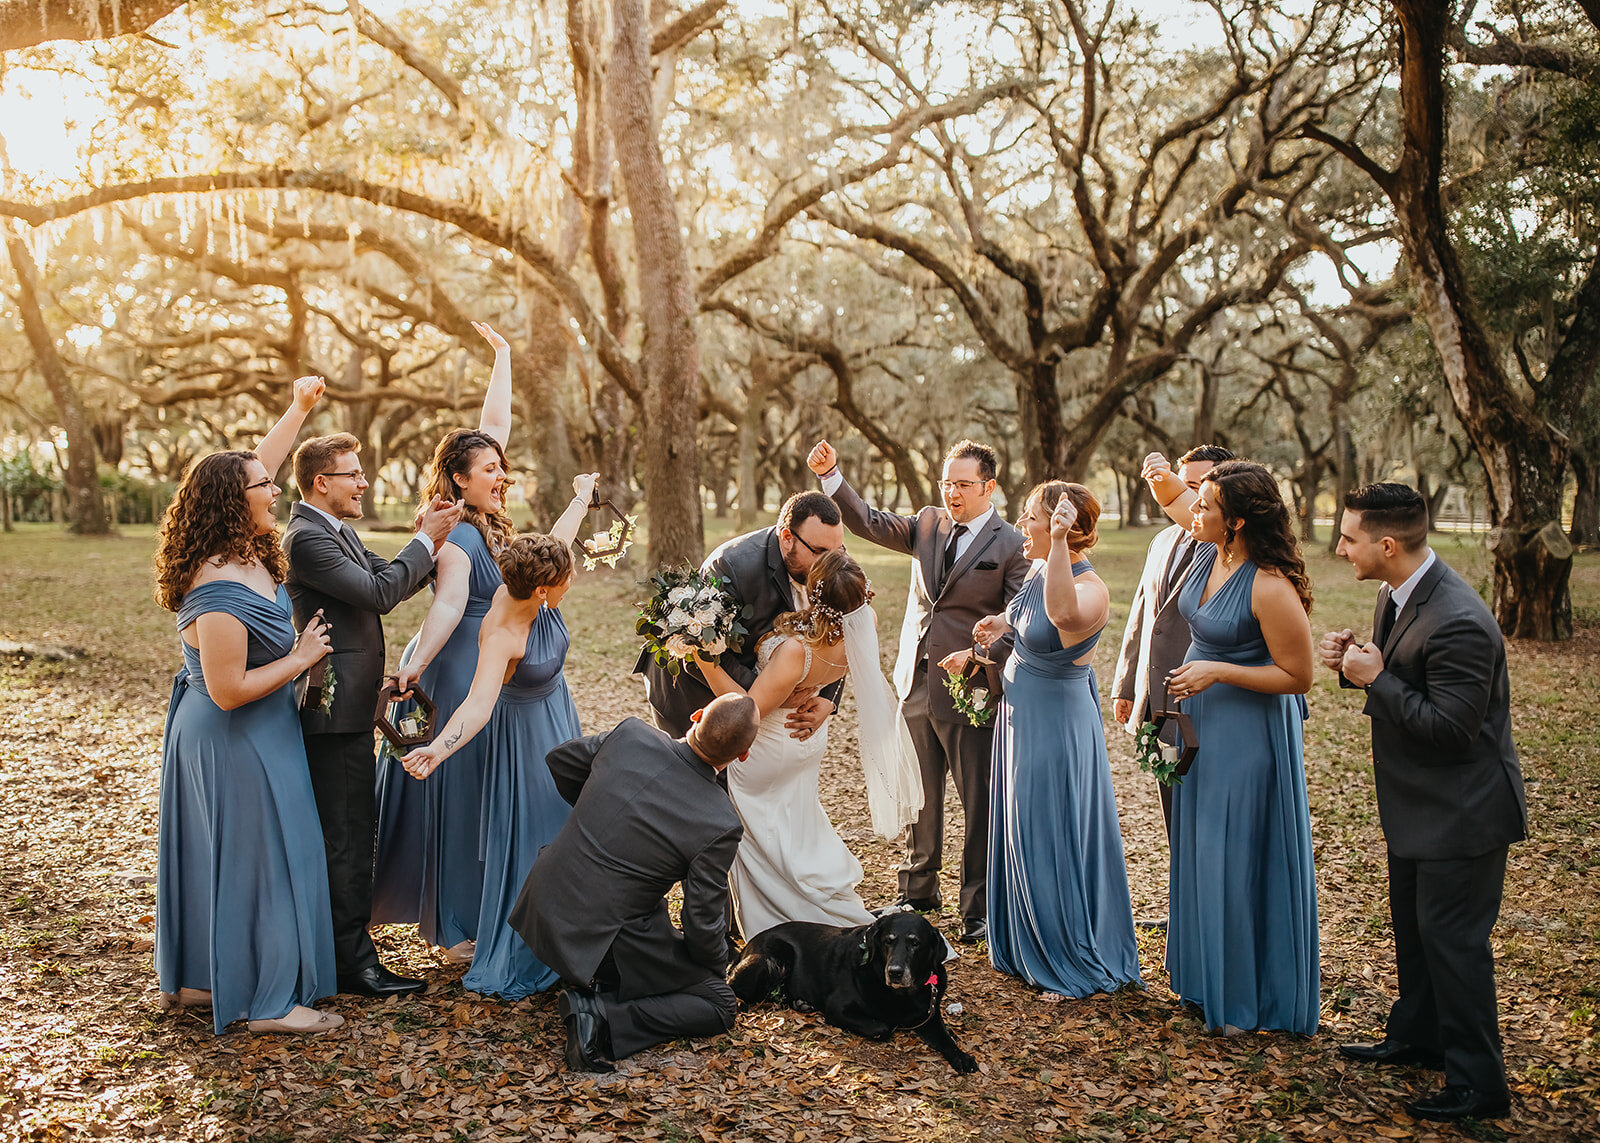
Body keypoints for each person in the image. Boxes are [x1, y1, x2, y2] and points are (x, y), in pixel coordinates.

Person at [1321, 483, 1525, 1122]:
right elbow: (1403, 674)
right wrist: (1355, 662)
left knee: (1454, 944)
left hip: (1462, 813)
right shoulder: (1397, 592)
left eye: (1349, 537)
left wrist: (1373, 678)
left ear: (1386, 544)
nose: (1339, 547)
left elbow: (1451, 729)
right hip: (1418, 808)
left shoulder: (1460, 619)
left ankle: (1478, 1084)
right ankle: (1418, 1036)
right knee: (1415, 931)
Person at [153, 376, 342, 1035]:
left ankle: (213, 977)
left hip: (264, 728)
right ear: (235, 503)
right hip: (231, 733)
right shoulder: (215, 580)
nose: (275, 488)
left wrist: (299, 409)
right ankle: (265, 1000)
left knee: (248, 854)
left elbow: (255, 463)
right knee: (257, 857)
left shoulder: (244, 547)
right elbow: (228, 687)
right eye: (264, 486)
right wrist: (300, 656)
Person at [809, 438, 1028, 944]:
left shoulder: (1011, 544)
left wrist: (979, 660)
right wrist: (832, 476)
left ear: (988, 486)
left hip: (972, 687)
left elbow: (1017, 618)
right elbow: (867, 521)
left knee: (979, 801)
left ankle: (977, 905)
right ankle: (917, 890)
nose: (952, 492)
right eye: (946, 482)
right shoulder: (927, 523)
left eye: (963, 484)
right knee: (918, 792)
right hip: (916, 680)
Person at [398, 483, 598, 1000]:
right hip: (525, 741)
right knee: (536, 836)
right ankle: (529, 948)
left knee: (567, 832)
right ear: (542, 592)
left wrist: (579, 497)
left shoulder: (532, 581)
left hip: (558, 716)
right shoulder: (502, 634)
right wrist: (437, 749)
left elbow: (556, 542)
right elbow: (479, 704)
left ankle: (569, 934)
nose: (570, 584)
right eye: (565, 582)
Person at [283, 432, 463, 999]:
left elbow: (391, 580)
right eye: (353, 474)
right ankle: (351, 964)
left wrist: (432, 547)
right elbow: (380, 593)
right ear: (321, 482)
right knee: (347, 836)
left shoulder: (334, 531)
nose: (363, 483)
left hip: (358, 705)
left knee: (356, 831)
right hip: (332, 712)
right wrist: (424, 540)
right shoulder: (306, 539)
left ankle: (347, 953)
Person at [1143, 456, 1319, 1036]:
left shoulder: (1268, 585)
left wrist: (1217, 671)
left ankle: (1246, 998)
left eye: (1206, 505)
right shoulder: (1205, 551)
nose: (1193, 510)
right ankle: (1203, 980)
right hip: (1201, 726)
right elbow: (1178, 505)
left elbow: (1298, 676)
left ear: (1237, 521)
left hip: (1248, 733)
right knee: (1199, 849)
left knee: (1235, 855)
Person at [946, 481, 1140, 998]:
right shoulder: (1037, 568)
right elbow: (1029, 607)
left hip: (1054, 723)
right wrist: (1001, 619)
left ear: (1061, 527)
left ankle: (1063, 947)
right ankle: (1024, 934)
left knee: (1049, 825)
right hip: (1021, 717)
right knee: (1022, 822)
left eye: (1030, 516)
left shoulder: (1091, 589)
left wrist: (1055, 543)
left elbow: (1061, 615)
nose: (1020, 523)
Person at [508, 696, 763, 1072]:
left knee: (650, 925)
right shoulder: (720, 820)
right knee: (719, 1002)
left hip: (541, 902)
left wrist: (599, 809)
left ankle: (604, 989)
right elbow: (702, 918)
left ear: (696, 714)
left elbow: (560, 760)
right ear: (743, 755)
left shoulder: (632, 735)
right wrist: (713, 967)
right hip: (600, 938)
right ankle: (600, 1013)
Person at [372, 321, 515, 962]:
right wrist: (411, 668)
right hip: (458, 670)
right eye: (489, 469)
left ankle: (483, 905)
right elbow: (450, 608)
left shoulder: (484, 511)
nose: (501, 473)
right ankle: (457, 924)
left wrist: (503, 359)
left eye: (501, 466)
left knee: (484, 791)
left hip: (491, 665)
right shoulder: (457, 537)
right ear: (459, 480)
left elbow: (494, 435)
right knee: (461, 793)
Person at [692, 549, 922, 937]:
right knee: (795, 826)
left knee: (763, 835)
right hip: (807, 740)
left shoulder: (796, 651)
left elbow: (748, 711)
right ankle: (818, 906)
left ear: (815, 595)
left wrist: (706, 662)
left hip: (770, 743)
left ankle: (784, 922)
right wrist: (828, 700)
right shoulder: (861, 623)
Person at [636, 492, 844, 743]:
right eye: (820, 551)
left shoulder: (830, 556)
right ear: (787, 538)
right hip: (692, 694)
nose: (832, 562)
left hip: (761, 707)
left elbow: (845, 624)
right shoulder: (731, 566)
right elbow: (705, 649)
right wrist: (773, 691)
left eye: (838, 549)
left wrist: (828, 698)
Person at [1111, 445, 1235, 865]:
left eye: (1198, 486)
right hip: (1158, 700)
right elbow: (1144, 611)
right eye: (1185, 484)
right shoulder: (1162, 540)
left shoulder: (1225, 547)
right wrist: (1127, 685)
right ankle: (1182, 907)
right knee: (1172, 806)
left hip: (1206, 698)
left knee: (1209, 809)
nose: (1190, 495)